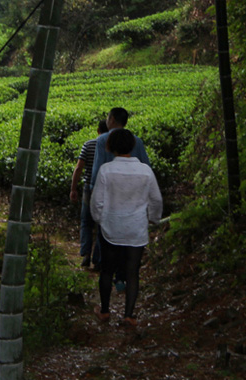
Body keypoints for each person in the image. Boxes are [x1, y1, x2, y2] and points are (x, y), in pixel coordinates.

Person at [90, 129, 162, 327]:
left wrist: (99, 219)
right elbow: (156, 199)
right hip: (136, 229)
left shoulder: (106, 170)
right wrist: (154, 219)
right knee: (132, 273)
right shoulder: (145, 171)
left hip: (111, 228)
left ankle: (104, 311)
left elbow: (97, 202)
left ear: (110, 147)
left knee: (107, 271)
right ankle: (129, 315)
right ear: (132, 146)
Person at [89, 107, 150, 290]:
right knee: (127, 241)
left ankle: (107, 272)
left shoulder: (102, 140)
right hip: (131, 199)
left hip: (109, 198)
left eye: (108, 117)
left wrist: (94, 196)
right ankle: (122, 277)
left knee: (107, 238)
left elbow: (97, 171)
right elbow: (146, 167)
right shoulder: (136, 141)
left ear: (113, 119)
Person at [70, 120, 107, 268]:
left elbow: (79, 168)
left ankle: (85, 253)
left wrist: (73, 188)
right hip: (105, 188)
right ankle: (97, 259)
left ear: (98, 130)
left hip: (88, 187)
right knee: (101, 224)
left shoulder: (89, 144)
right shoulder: (111, 147)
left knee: (86, 221)